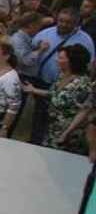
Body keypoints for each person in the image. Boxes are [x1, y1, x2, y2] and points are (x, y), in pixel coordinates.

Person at [29, 8, 96, 145]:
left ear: (76, 24)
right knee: (39, 115)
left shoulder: (85, 40)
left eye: (68, 22)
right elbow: (31, 50)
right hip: (45, 82)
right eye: (61, 21)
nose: (63, 24)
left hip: (64, 128)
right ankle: (36, 141)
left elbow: (84, 110)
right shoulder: (45, 33)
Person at [24, 45, 92, 154]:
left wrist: (66, 133)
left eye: (61, 58)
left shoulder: (83, 84)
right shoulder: (62, 75)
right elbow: (54, 94)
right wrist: (34, 90)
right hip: (52, 129)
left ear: (72, 61)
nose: (56, 60)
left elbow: (84, 112)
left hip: (68, 135)